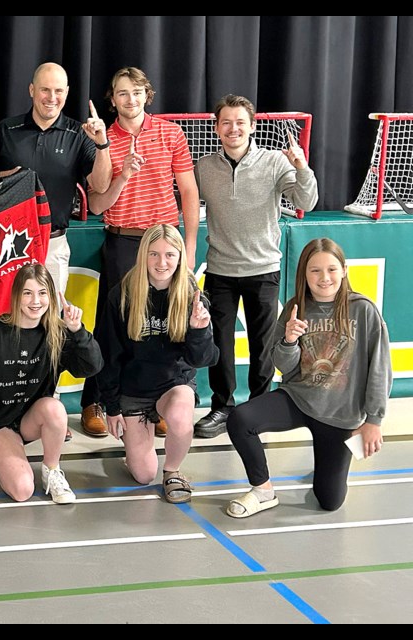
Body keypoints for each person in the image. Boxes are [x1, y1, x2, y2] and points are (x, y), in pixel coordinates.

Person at [225, 238, 391, 518]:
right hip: (298, 398)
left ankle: (330, 463)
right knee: (240, 419)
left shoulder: (363, 310)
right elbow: (282, 367)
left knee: (329, 501)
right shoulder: (295, 307)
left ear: (344, 270)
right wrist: (289, 340)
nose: (324, 278)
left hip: (340, 415)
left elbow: (380, 368)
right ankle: (263, 490)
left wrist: (374, 420)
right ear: (304, 274)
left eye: (331, 269)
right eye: (315, 270)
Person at [80, 66, 201, 439]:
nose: (129, 99)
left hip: (164, 241)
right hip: (124, 240)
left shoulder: (169, 132)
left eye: (135, 92)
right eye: (121, 93)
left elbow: (189, 192)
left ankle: (161, 400)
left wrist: (190, 246)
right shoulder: (99, 139)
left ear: (146, 95)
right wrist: (124, 175)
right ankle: (96, 400)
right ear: (111, 99)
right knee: (111, 324)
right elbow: (98, 204)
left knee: (167, 322)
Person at [192, 94, 318, 438]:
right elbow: (183, 203)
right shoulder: (203, 167)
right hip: (219, 269)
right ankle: (222, 407)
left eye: (240, 122)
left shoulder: (275, 163)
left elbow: (307, 200)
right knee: (219, 342)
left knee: (263, 344)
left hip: (262, 269)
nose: (233, 128)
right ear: (217, 128)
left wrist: (302, 167)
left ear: (252, 126)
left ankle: (259, 407)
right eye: (226, 122)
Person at [0, 264, 103, 505]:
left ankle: (52, 471)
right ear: (16, 296)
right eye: (28, 293)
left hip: (30, 420)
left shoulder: (56, 332)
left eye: (42, 293)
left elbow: (91, 367)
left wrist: (78, 332)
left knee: (54, 409)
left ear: (51, 297)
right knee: (22, 491)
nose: (36, 301)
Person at [98, 224, 218, 503]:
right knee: (142, 474)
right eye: (154, 254)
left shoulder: (193, 296)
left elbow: (205, 359)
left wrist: (199, 331)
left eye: (169, 255)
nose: (161, 263)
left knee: (179, 416)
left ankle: (173, 471)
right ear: (143, 255)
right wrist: (112, 407)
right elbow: (108, 354)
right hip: (134, 390)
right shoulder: (123, 293)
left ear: (180, 257)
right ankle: (140, 442)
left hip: (173, 384)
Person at [0, 61, 112, 297]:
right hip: (6, 243)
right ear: (32, 90)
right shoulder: (6, 130)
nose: (51, 97)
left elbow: (101, 185)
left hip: (53, 243)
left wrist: (102, 144)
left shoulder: (79, 134)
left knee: (50, 321)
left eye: (58, 91)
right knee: (6, 318)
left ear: (66, 93)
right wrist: (11, 176)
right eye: (45, 90)